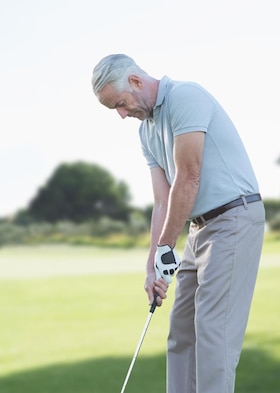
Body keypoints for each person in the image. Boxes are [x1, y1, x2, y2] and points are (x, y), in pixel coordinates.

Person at [91, 54, 265, 393]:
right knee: (181, 332)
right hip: (199, 229)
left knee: (213, 332)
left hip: (234, 217)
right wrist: (152, 267)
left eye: (121, 104)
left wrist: (166, 247)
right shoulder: (146, 131)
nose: (122, 114)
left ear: (137, 82)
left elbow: (189, 177)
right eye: (115, 109)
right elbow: (162, 200)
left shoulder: (186, 97)